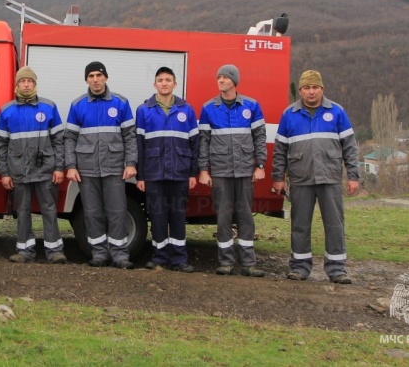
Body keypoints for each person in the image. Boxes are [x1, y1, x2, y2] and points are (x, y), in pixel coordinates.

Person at [272, 70, 360, 284]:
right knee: (300, 225)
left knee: (335, 224)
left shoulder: (337, 112)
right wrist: (278, 177)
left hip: (329, 178)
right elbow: (279, 150)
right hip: (300, 178)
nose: (311, 92)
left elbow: (350, 147)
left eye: (315, 87)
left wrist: (353, 176)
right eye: (306, 88)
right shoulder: (289, 114)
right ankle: (300, 267)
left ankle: (337, 269)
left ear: (322, 89)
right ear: (300, 90)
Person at [65, 61, 137, 269]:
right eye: (91, 76)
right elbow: (69, 138)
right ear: (86, 79)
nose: (95, 80)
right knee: (92, 212)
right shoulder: (78, 105)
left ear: (106, 77)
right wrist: (71, 166)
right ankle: (99, 253)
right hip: (87, 170)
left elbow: (130, 136)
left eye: (99, 75)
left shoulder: (120, 103)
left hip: (114, 168)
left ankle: (120, 255)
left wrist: (130, 163)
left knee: (117, 211)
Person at [199, 64, 267, 277]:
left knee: (246, 216)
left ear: (234, 81)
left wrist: (260, 165)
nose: (221, 80)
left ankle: (248, 263)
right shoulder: (209, 108)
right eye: (218, 77)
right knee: (223, 217)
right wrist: (203, 170)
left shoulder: (252, 106)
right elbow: (203, 142)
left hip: (246, 171)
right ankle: (226, 262)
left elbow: (260, 138)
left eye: (225, 77)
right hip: (220, 172)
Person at [0, 66, 67, 264]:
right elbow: (1, 144)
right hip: (18, 172)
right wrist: (5, 173)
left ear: (35, 84)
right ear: (17, 84)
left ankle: (55, 251)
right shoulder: (7, 110)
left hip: (46, 171)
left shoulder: (48, 107)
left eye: (30, 81)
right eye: (23, 81)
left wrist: (59, 168)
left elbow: (59, 140)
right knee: (23, 211)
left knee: (49, 210)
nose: (26, 84)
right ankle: (24, 250)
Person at [136, 67, 199, 272]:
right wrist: (141, 176)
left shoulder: (186, 110)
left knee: (178, 215)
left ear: (175, 84)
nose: (164, 83)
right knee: (158, 216)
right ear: (155, 84)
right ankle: (160, 257)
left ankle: (180, 259)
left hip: (179, 172)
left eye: (168, 80)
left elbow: (194, 144)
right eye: (160, 80)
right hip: (154, 173)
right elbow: (139, 146)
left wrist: (192, 173)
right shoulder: (144, 110)